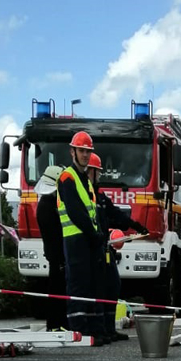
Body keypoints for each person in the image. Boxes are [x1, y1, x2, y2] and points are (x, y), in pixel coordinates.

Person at [87, 152, 149, 341]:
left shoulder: (100, 196)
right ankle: (97, 330)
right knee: (97, 290)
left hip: (105, 249)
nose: (99, 175)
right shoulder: (85, 194)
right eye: (97, 172)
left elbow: (115, 214)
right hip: (92, 249)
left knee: (112, 286)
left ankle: (108, 328)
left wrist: (135, 225)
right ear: (90, 171)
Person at [57, 130, 107, 346]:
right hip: (76, 239)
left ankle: (95, 330)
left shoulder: (85, 181)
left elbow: (91, 212)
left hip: (88, 239)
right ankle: (79, 331)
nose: (85, 155)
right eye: (82, 151)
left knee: (92, 286)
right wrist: (93, 234)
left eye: (88, 152)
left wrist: (97, 236)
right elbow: (77, 212)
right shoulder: (67, 177)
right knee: (78, 287)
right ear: (73, 152)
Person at [35, 165, 68, 331]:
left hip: (54, 254)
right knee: (57, 290)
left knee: (57, 289)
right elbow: (55, 234)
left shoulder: (45, 204)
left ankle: (56, 323)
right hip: (57, 255)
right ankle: (56, 324)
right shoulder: (48, 207)